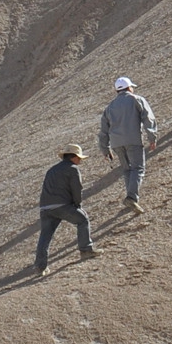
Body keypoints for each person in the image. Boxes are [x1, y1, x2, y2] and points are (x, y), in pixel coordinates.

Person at [35, 143, 96, 275]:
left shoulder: (51, 170)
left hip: (45, 207)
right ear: (74, 157)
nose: (80, 161)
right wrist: (77, 204)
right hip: (62, 206)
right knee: (83, 220)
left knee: (45, 236)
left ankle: (40, 267)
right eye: (79, 158)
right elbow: (76, 189)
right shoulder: (73, 169)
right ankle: (86, 249)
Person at [98, 77, 157, 214]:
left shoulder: (110, 107)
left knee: (127, 170)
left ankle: (132, 199)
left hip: (116, 144)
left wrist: (105, 149)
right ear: (129, 88)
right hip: (133, 140)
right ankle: (131, 197)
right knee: (138, 168)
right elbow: (148, 119)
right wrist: (152, 137)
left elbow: (103, 131)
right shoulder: (137, 99)